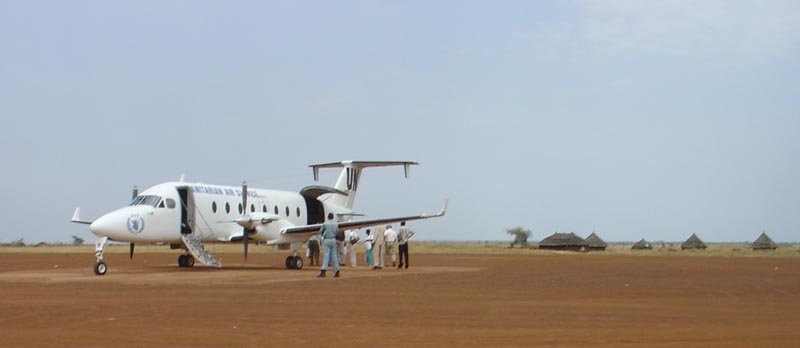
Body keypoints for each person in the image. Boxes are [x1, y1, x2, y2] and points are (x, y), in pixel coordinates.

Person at [318, 213, 340, 278]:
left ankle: (323, 271)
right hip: (333, 240)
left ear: (328, 217)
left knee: (326, 255)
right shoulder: (336, 224)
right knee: (334, 256)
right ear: (333, 217)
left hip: (327, 240)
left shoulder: (325, 224)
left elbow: (320, 231)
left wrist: (323, 235)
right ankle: (337, 271)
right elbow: (336, 232)